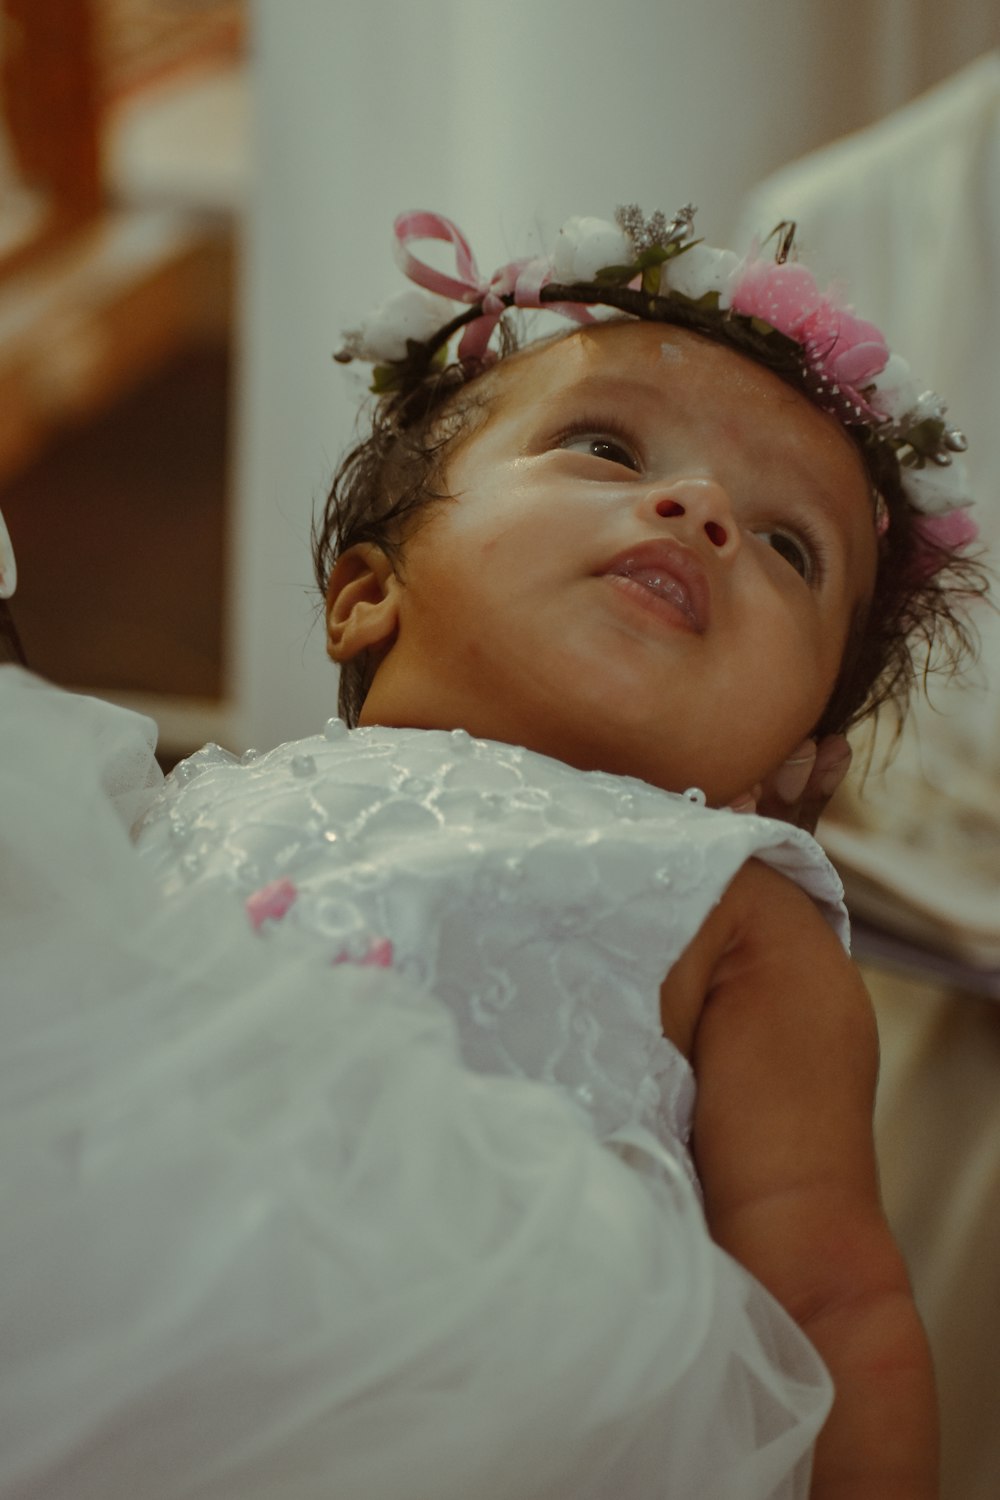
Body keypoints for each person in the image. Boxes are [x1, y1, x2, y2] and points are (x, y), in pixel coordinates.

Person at [0, 204, 984, 1500]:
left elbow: (833, 1293)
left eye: (790, 545)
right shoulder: (218, 789)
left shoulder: (741, 907)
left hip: (460, 1369)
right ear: (368, 596)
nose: (696, 511)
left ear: (792, 773)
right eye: (607, 446)